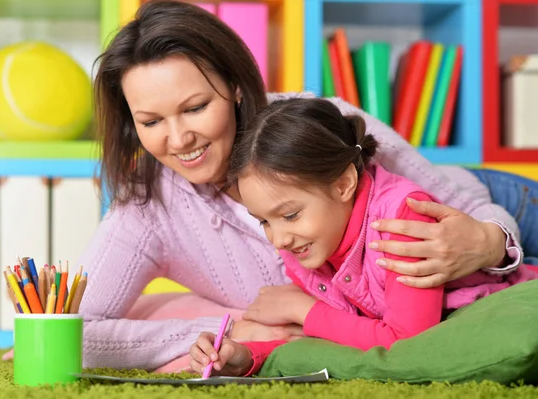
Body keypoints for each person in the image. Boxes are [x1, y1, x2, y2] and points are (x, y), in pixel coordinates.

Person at [74, 0, 529, 370]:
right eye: (151, 121)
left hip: (505, 205)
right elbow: (70, 330)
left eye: (194, 108)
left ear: (234, 86)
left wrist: (491, 242)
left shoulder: (312, 121)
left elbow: (467, 205)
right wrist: (229, 329)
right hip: (394, 301)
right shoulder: (146, 206)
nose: (178, 139)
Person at [188, 98, 538, 377]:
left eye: (290, 215)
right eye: (264, 221)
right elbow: (334, 335)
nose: (278, 239)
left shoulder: (403, 223)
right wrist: (245, 356)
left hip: (512, 204)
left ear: (343, 184)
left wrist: (305, 309)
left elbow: (404, 340)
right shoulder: (309, 243)